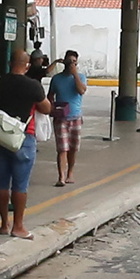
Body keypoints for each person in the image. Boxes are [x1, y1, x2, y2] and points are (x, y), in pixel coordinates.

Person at [0, 55, 48, 238]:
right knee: (20, 185)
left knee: (1, 182)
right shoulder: (33, 85)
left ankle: (4, 224)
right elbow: (46, 108)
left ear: (9, 63)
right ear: (27, 66)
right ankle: (18, 226)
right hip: (23, 137)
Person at [47, 50, 87, 186]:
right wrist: (52, 107)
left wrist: (74, 73)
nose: (71, 64)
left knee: (73, 148)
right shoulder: (57, 79)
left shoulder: (80, 77)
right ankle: (61, 176)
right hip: (61, 117)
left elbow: (81, 90)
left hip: (75, 116)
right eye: (69, 62)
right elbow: (50, 95)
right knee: (62, 148)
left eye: (74, 62)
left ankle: (70, 172)